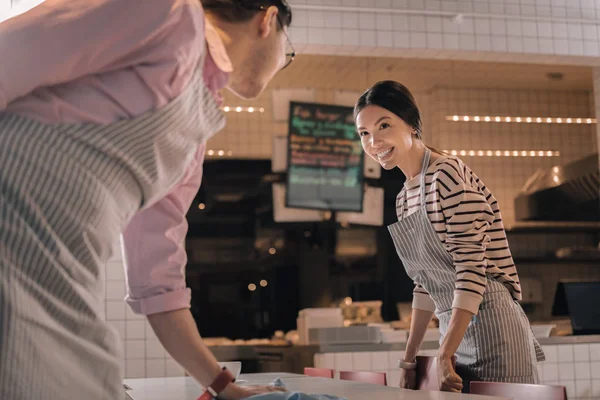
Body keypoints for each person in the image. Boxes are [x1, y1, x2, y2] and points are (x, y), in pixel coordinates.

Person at [0, 1, 295, 399]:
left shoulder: (196, 131)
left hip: (58, 279)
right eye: (288, 51)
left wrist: (224, 386)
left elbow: (159, 280)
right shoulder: (168, 11)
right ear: (268, 19)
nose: (283, 63)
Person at [354, 81, 545, 393]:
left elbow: (471, 271)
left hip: (493, 325)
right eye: (364, 133)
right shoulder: (404, 197)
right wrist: (409, 360)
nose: (373, 141)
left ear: (412, 125)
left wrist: (445, 353)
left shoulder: (447, 175)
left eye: (383, 125)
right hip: (453, 331)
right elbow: (425, 284)